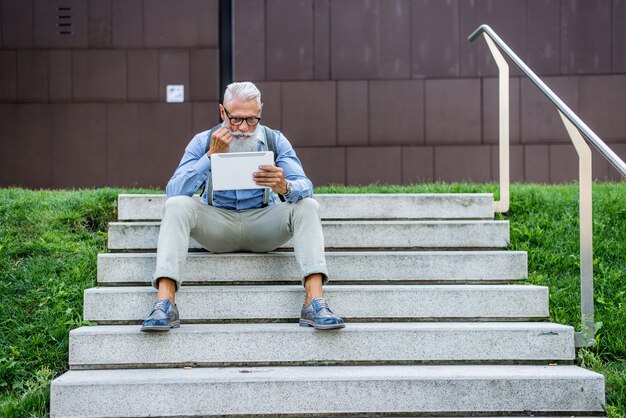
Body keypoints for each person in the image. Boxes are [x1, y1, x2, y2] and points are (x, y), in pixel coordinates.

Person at [141, 81, 345, 332]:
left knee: (308, 206)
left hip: (263, 225)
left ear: (260, 112)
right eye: (236, 119)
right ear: (222, 112)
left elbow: (305, 185)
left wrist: (285, 187)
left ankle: (314, 301)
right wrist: (210, 157)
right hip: (218, 226)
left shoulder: (274, 139)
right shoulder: (204, 141)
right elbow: (173, 191)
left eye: (252, 120)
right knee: (177, 206)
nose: (243, 128)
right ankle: (165, 302)